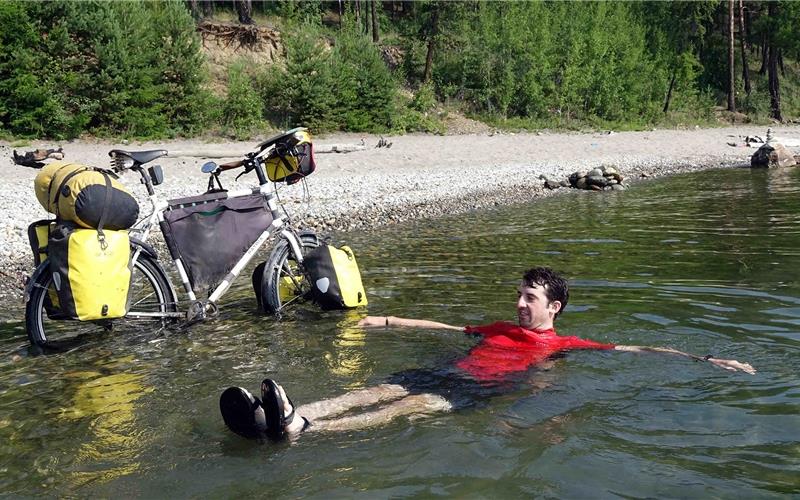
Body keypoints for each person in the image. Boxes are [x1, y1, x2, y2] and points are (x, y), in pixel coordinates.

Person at [220, 267, 756, 441]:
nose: (520, 305)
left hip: (479, 393)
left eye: (531, 299)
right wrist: (389, 319)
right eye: (520, 296)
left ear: (556, 308)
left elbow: (639, 347)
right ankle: (295, 414)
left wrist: (709, 361)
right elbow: (450, 326)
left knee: (399, 409)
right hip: (452, 371)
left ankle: (301, 431)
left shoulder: (566, 343)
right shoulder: (498, 326)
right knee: (377, 390)